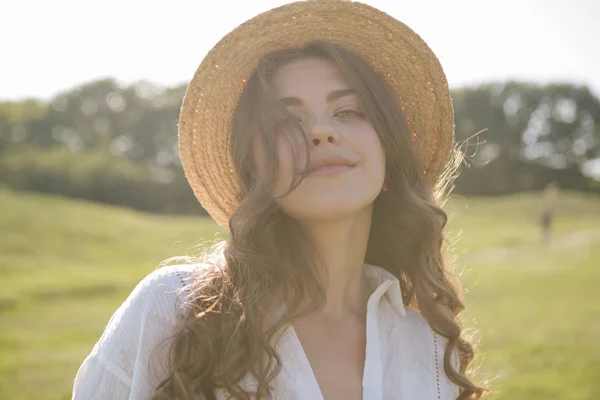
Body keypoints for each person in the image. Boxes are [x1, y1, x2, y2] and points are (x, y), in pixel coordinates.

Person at [72, 1, 485, 399]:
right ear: (256, 170)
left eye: (348, 112)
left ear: (389, 155)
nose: (321, 132)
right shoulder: (172, 309)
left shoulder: (426, 344)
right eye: (286, 122)